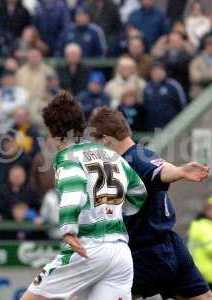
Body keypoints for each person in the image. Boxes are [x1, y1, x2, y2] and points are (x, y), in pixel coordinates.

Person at [21, 91, 148, 300]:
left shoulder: (68, 157)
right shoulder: (111, 155)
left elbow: (74, 188)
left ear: (51, 133)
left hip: (88, 247)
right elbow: (138, 191)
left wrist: (68, 229)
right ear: (82, 126)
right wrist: (113, 211)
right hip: (120, 252)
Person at [89, 107, 212, 300]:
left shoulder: (131, 160)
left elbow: (159, 173)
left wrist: (180, 172)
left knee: (90, 293)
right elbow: (160, 168)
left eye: (95, 142)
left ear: (106, 139)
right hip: (171, 246)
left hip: (145, 256)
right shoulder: (143, 153)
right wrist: (178, 171)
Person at [16, 48, 56, 126]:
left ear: (41, 57)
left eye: (36, 56)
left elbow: (53, 90)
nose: (34, 58)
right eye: (31, 56)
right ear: (27, 58)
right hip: (24, 102)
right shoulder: (20, 72)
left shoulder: (48, 71)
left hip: (43, 101)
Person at [143, 62, 187, 131]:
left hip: (171, 125)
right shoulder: (147, 86)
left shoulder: (173, 85)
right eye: (155, 71)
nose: (157, 73)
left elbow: (182, 104)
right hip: (153, 126)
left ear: (164, 72)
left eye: (160, 70)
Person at [0, 69, 28, 134]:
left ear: (15, 80)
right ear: (1, 81)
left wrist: (1, 107)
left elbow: (21, 108)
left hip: (17, 129)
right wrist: (11, 112)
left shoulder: (22, 92)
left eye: (10, 79)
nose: (8, 81)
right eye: (6, 79)